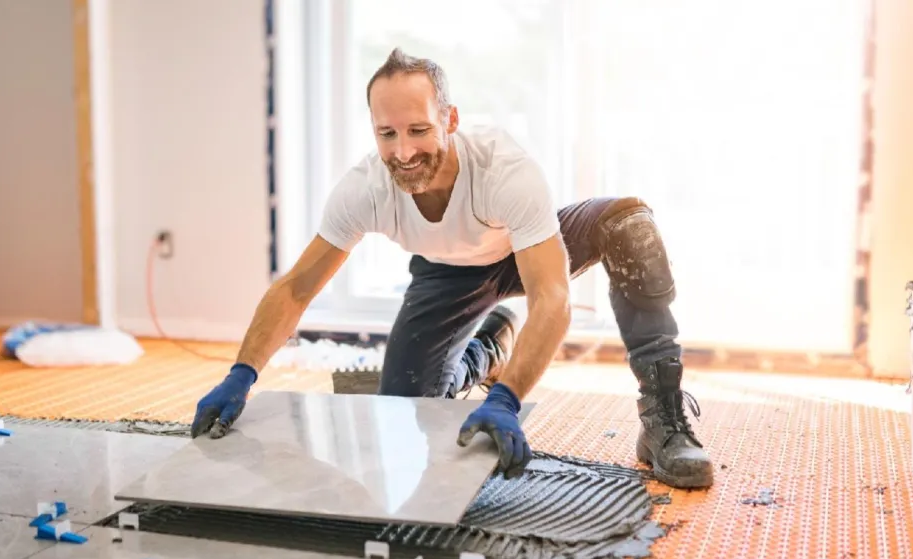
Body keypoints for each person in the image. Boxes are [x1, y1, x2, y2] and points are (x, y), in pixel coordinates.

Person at [189, 48, 713, 489]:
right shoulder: (364, 189)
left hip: (525, 249)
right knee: (406, 417)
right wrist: (242, 374)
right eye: (387, 134)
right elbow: (295, 290)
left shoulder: (505, 170)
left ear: (451, 120)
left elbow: (551, 298)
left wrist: (508, 401)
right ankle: (486, 350)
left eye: (419, 129)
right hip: (447, 276)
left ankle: (663, 416)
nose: (404, 151)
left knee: (630, 225)